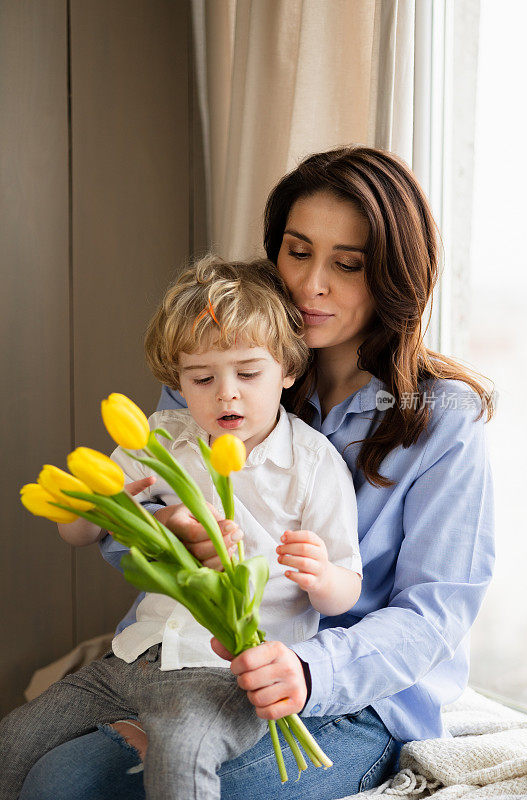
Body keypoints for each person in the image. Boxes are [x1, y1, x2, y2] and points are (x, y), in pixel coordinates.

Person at [16, 146, 495, 800]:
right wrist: (170, 534)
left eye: (347, 264)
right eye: (297, 253)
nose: (310, 285)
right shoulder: (222, 368)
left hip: (352, 701)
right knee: (52, 781)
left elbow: (435, 611)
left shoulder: (439, 416)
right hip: (197, 671)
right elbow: (129, 517)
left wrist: (307, 669)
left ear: (393, 277)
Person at [0, 256, 363, 800]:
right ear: (178, 379)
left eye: (248, 373)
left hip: (222, 672)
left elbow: (345, 592)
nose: (226, 394)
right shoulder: (159, 439)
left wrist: (319, 575)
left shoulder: (311, 465)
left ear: (287, 370)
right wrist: (102, 504)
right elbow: (74, 534)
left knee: (181, 754)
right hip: (135, 656)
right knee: (16, 734)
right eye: (202, 377)